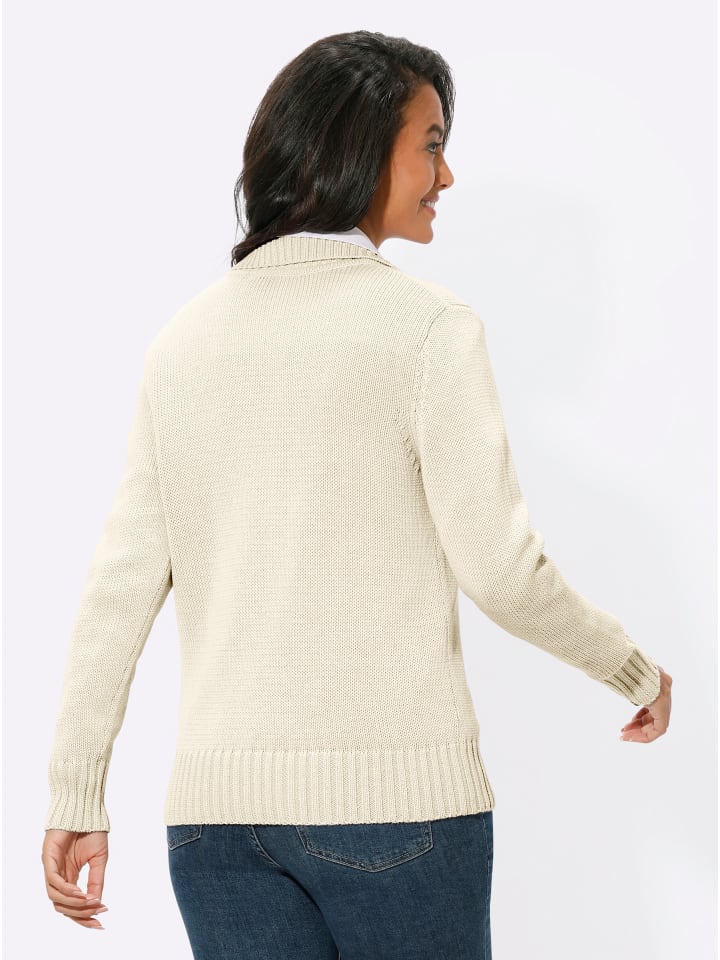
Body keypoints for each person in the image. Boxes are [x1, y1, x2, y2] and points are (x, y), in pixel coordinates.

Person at [41, 30, 672, 959]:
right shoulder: (427, 328)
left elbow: (118, 588)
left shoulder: (183, 343)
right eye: (431, 144)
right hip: (397, 814)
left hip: (217, 828)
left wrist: (76, 794)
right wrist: (629, 668)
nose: (446, 175)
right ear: (360, 147)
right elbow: (501, 569)